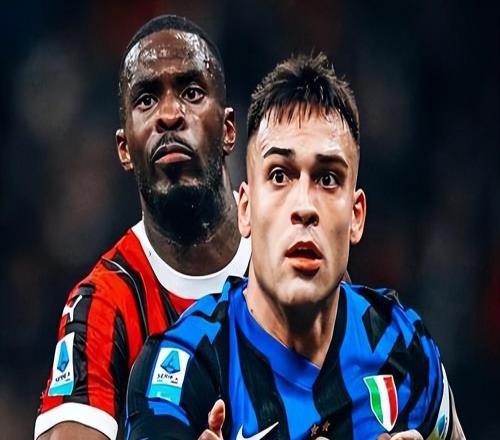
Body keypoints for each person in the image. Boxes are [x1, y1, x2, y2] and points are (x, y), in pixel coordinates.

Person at [125, 53, 465, 439]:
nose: (304, 206)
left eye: (328, 178)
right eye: (279, 175)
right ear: (245, 210)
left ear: (356, 217)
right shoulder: (183, 368)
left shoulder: (402, 346)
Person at [34, 15, 251, 440]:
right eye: (147, 99)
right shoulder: (102, 306)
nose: (169, 115)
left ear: (229, 130)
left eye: (191, 92)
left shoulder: (293, 258)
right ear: (124, 149)